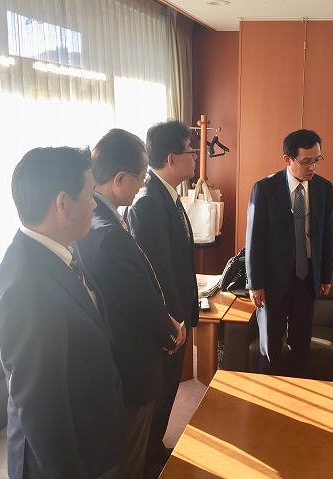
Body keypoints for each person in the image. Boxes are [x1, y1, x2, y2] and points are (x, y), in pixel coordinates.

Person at [0, 147, 125, 479]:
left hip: (90, 441)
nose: (95, 204)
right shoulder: (25, 288)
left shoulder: (59, 251)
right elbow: (42, 412)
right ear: (63, 204)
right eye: (90, 194)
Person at [74, 129, 184, 479]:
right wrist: (170, 332)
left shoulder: (98, 221)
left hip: (118, 362)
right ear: (120, 178)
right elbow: (139, 302)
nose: (143, 184)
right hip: (131, 363)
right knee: (130, 459)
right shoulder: (107, 233)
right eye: (141, 177)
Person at [125, 120, 198, 476]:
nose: (195, 157)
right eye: (190, 150)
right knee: (160, 391)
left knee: (169, 390)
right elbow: (156, 275)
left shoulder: (167, 195)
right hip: (167, 323)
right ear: (172, 159)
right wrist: (173, 323)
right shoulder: (148, 203)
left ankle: (155, 446)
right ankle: (147, 457)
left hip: (178, 317)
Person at [245, 129, 333, 376]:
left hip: (307, 275)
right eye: (306, 161)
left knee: (301, 344)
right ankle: (268, 392)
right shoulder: (264, 188)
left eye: (317, 160)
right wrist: (255, 284)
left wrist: (325, 275)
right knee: (271, 346)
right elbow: (254, 240)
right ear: (288, 159)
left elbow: (326, 234)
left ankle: (297, 390)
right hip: (272, 280)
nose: (312, 167)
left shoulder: (324, 188)